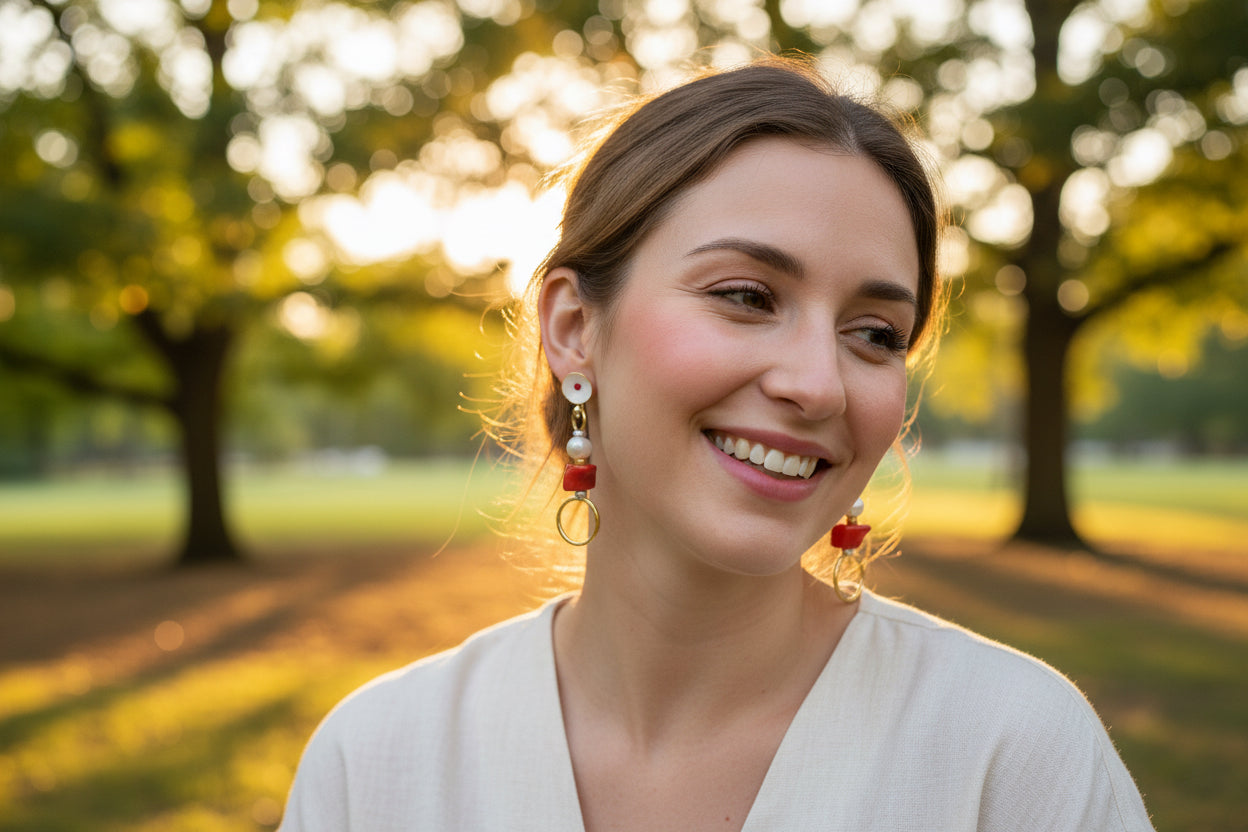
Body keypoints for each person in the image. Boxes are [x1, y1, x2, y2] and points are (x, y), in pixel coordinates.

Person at [278, 58, 1154, 831]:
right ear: (576, 328)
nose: (818, 384)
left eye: (876, 333)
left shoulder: (1013, 755)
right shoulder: (376, 765)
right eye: (745, 294)